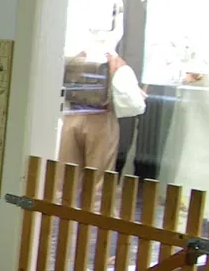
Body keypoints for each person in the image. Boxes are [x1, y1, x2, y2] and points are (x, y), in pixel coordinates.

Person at [59, 42, 145, 173]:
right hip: (101, 120)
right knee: (98, 177)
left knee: (66, 174)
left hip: (71, 116)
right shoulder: (115, 62)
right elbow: (135, 105)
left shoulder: (75, 56)